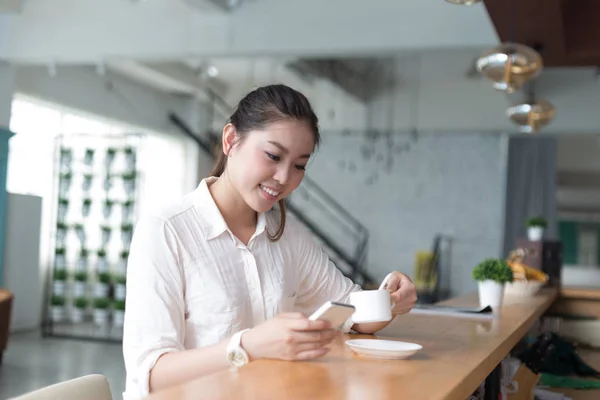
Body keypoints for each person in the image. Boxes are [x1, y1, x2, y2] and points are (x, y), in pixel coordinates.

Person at [122, 84, 417, 399]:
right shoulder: (165, 231)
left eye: (299, 165)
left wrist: (389, 299)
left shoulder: (290, 236)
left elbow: (352, 313)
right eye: (273, 156)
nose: (283, 177)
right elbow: (149, 375)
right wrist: (248, 346)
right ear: (231, 140)